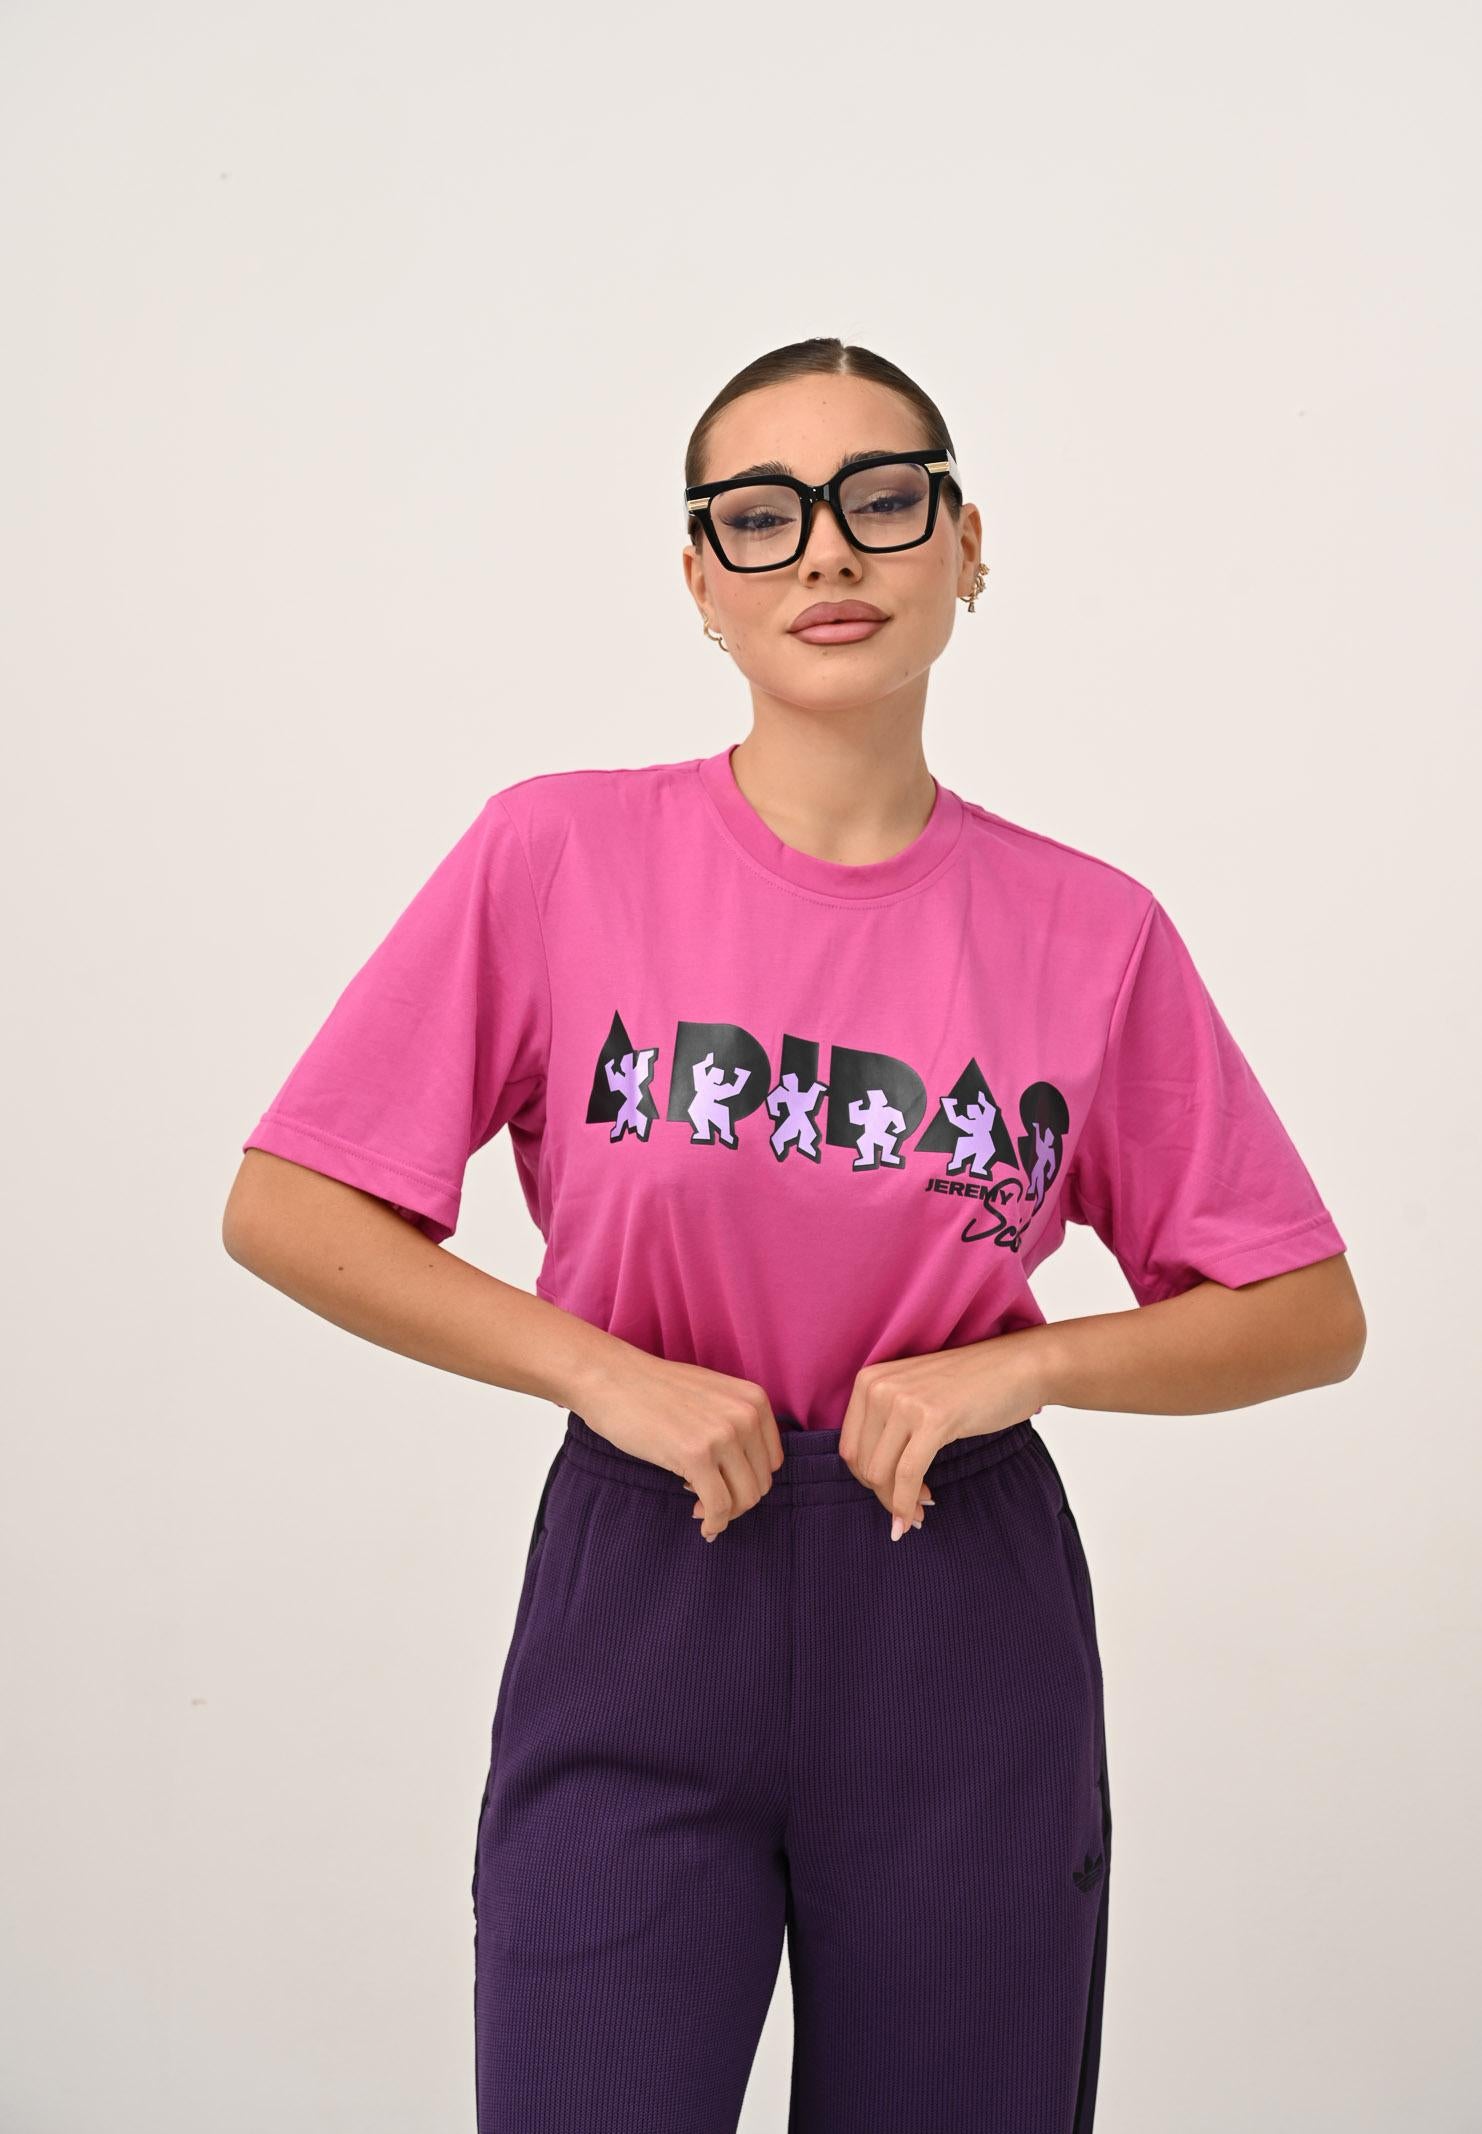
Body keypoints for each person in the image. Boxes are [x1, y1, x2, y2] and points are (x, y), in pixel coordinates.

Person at [222, 336, 1366, 2134]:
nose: (825, 550)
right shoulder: (556, 855)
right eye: (759, 516)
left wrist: (1023, 1365)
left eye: (880, 500)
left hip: (956, 1606)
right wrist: (604, 1373)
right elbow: (289, 1201)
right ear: (699, 578)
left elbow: (1303, 1308)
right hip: (644, 1580)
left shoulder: (1089, 931)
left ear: (965, 543)